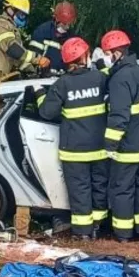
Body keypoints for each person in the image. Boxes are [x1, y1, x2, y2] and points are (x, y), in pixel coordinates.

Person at [35, 37, 109, 239]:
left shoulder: (62, 84)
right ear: (85, 56)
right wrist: (102, 65)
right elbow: (111, 82)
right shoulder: (99, 79)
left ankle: (82, 233)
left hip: (74, 151)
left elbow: (46, 113)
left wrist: (41, 93)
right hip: (99, 148)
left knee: (80, 191)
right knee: (99, 187)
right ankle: (98, 227)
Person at [102, 30, 139, 243]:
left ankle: (123, 233)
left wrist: (110, 144)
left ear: (117, 53)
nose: (106, 57)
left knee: (122, 188)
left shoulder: (120, 79)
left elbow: (119, 115)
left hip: (130, 146)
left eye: (108, 53)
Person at [28, 1, 77, 74]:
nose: (67, 27)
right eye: (64, 24)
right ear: (56, 20)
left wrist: (72, 66)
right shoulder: (42, 32)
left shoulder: (71, 36)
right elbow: (32, 57)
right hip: (41, 78)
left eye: (69, 24)